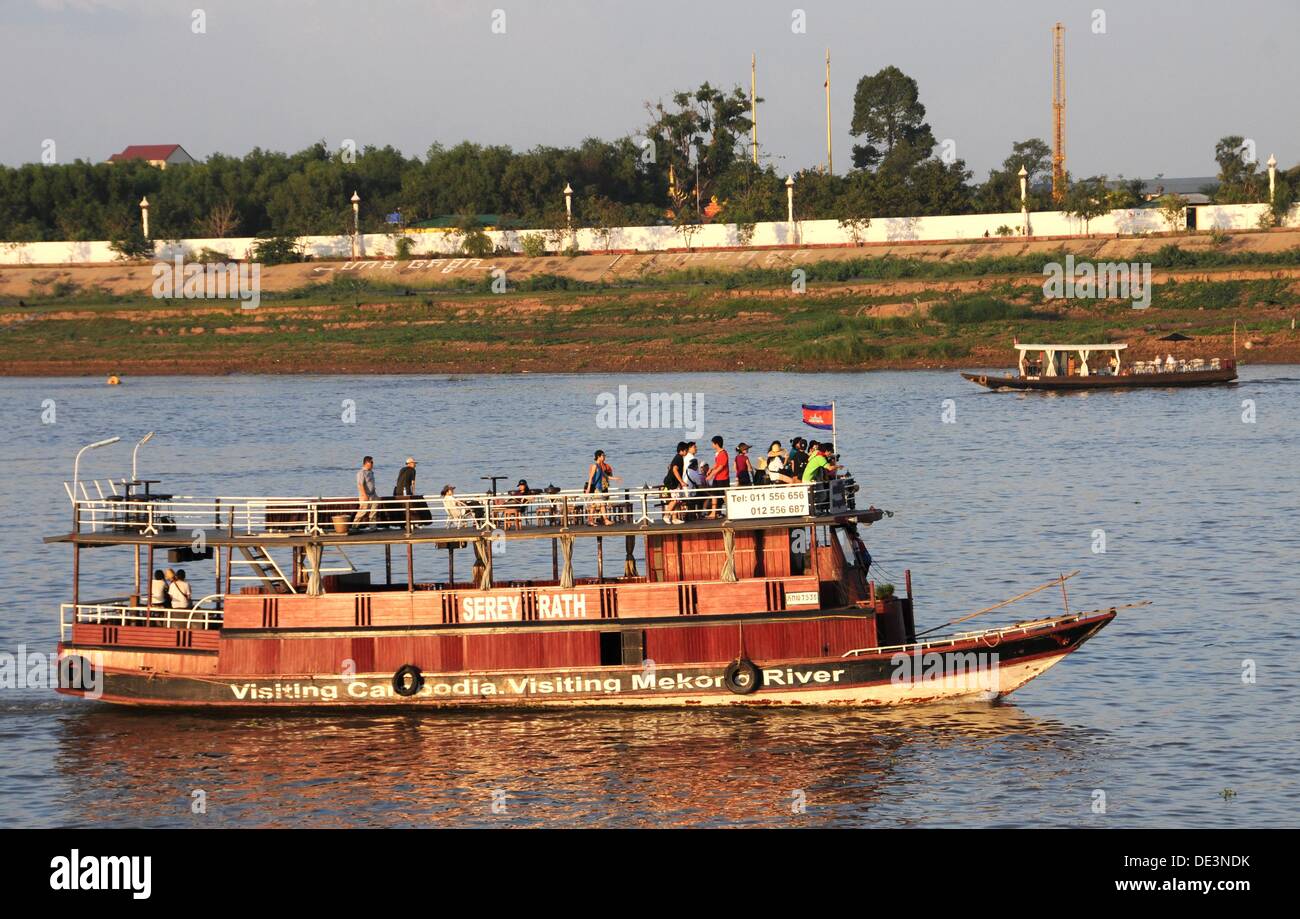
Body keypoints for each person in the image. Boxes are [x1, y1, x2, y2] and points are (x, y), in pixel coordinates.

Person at [584, 450, 617, 526]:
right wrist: (588, 487)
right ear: (598, 456)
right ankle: (604, 520)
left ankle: (591, 520)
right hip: (596, 489)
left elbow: (606, 476)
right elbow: (591, 477)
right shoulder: (595, 466)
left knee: (595, 505)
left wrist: (616, 478)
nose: (604, 457)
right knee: (601, 504)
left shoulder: (600, 467)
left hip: (599, 488)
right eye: (603, 455)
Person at [662, 442, 688, 524]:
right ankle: (666, 515)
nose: (687, 452)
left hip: (674, 482)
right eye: (686, 450)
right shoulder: (679, 458)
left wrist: (679, 483)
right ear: (682, 450)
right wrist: (682, 482)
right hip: (671, 482)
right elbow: (674, 469)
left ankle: (674, 518)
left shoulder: (679, 457)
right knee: (675, 499)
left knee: (677, 500)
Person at [706, 436, 730, 518]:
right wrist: (711, 469)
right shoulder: (718, 453)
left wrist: (711, 475)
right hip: (717, 478)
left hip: (723, 478)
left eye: (713, 443)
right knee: (714, 494)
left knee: (724, 496)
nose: (712, 445)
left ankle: (730, 511)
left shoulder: (723, 453)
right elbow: (717, 464)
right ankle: (713, 512)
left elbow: (721, 466)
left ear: (716, 444)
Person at [352, 455, 378, 529]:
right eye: (371, 462)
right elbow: (360, 485)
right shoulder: (361, 473)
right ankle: (354, 526)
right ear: (367, 463)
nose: (373, 464)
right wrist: (364, 495)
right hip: (365, 495)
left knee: (374, 511)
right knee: (362, 511)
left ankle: (373, 527)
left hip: (373, 494)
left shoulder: (371, 472)